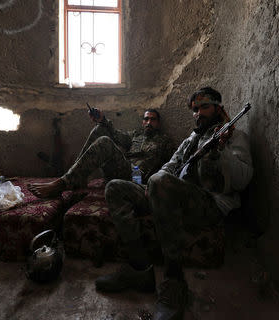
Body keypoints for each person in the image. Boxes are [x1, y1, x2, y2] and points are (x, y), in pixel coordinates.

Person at [95, 87, 253, 320]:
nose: (198, 113)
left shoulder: (236, 137)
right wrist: (151, 187)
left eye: (204, 107)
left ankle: (174, 280)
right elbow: (170, 165)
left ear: (219, 108)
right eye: (194, 109)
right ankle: (139, 269)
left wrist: (220, 152)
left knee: (160, 182)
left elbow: (243, 180)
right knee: (115, 187)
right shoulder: (192, 139)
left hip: (208, 203)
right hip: (172, 194)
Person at [28, 107, 174, 198]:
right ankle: (74, 179)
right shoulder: (136, 135)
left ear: (158, 123)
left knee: (105, 141)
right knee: (100, 129)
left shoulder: (164, 140)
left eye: (153, 120)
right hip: (121, 168)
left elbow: (173, 163)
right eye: (146, 119)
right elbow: (115, 134)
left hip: (136, 177)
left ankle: (63, 183)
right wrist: (102, 120)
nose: (149, 122)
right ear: (142, 122)